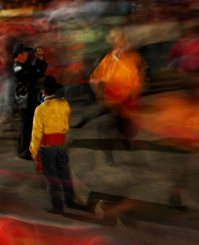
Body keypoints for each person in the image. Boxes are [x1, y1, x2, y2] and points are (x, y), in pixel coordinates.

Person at [90, 29, 146, 166]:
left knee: (126, 125)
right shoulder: (108, 60)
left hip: (128, 100)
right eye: (117, 41)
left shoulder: (131, 57)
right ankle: (109, 154)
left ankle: (126, 141)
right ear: (113, 43)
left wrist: (136, 88)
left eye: (122, 40)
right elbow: (94, 79)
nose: (120, 43)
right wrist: (99, 94)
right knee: (111, 127)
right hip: (113, 100)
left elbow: (139, 74)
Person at [29, 75, 81, 214]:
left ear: (43, 91)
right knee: (64, 173)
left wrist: (33, 151)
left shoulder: (40, 110)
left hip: (47, 146)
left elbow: (37, 133)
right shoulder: (64, 103)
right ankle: (69, 201)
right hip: (61, 143)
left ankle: (57, 207)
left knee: (52, 177)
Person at [13, 42, 47, 159]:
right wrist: (39, 61)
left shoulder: (24, 66)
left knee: (30, 126)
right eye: (25, 53)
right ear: (20, 54)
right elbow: (36, 73)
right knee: (26, 127)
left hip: (30, 100)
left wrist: (40, 58)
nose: (27, 55)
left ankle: (29, 149)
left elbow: (38, 71)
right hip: (25, 102)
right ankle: (24, 151)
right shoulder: (18, 68)